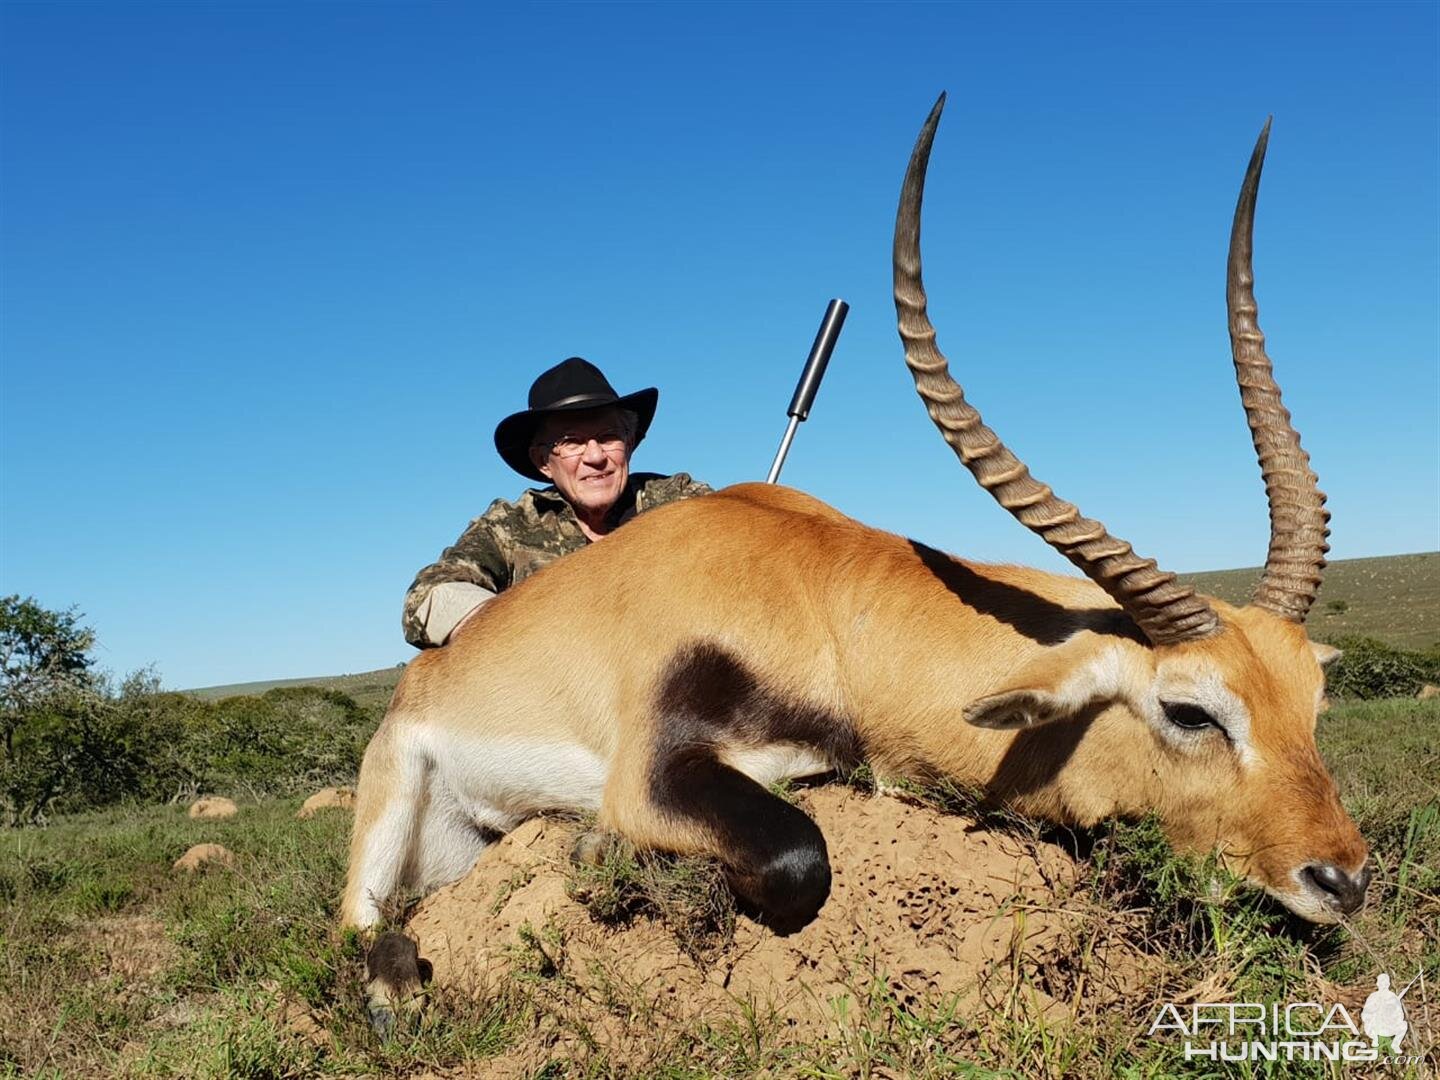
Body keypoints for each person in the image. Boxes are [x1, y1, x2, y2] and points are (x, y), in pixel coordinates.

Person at [402, 357, 712, 648]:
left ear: (629, 444)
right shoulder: (511, 527)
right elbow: (427, 594)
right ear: (543, 462)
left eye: (608, 437)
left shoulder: (679, 499)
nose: (595, 457)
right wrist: (522, 635)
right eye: (571, 442)